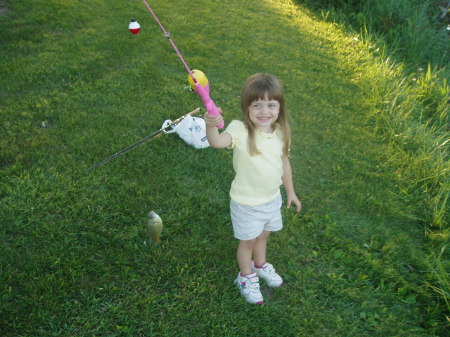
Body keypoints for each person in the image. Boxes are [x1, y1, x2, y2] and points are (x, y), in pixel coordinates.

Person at [204, 73, 301, 304]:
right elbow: (217, 142)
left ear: (280, 107)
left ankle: (260, 265)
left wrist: (291, 191)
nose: (264, 111)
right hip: (246, 203)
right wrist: (211, 126)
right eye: (257, 105)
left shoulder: (280, 131)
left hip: (271, 199)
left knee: (264, 235)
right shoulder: (239, 130)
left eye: (271, 105)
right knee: (247, 242)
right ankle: (246, 276)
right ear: (246, 107)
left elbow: (284, 163)